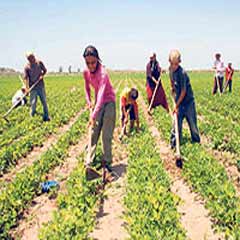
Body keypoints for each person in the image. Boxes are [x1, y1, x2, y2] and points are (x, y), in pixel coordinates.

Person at [83, 45, 116, 176]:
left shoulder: (103, 74)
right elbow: (86, 88)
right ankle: (88, 162)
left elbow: (102, 96)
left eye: (93, 62)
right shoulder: (85, 72)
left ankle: (107, 162)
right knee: (93, 132)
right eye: (88, 63)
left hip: (109, 102)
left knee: (106, 135)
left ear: (98, 59)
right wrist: (89, 102)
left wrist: (93, 115)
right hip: (97, 102)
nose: (91, 65)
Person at [169, 49, 200, 149]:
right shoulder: (170, 70)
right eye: (172, 64)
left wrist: (176, 105)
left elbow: (183, 92)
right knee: (176, 124)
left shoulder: (182, 73)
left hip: (188, 102)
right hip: (179, 100)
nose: (174, 66)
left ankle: (196, 142)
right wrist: (172, 88)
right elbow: (172, 80)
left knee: (192, 123)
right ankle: (174, 144)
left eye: (176, 64)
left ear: (179, 62)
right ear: (169, 62)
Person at [23, 52, 50, 121]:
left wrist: (42, 75)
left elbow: (45, 70)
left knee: (44, 101)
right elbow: (26, 78)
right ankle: (32, 117)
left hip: (40, 86)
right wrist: (27, 88)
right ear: (28, 59)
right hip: (33, 88)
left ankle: (46, 116)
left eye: (33, 57)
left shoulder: (39, 63)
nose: (32, 59)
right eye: (30, 58)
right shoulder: (27, 67)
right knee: (33, 103)